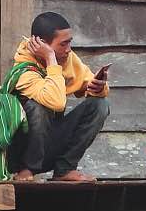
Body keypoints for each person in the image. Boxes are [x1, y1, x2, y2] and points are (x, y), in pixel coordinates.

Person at [8, 11, 110, 183]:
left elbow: (88, 80)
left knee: (99, 105)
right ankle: (26, 169)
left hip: (49, 144)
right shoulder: (24, 70)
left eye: (69, 42)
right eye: (63, 44)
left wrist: (98, 87)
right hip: (20, 150)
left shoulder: (66, 57)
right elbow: (55, 102)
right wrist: (50, 59)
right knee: (37, 107)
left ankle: (64, 169)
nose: (68, 49)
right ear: (42, 45)